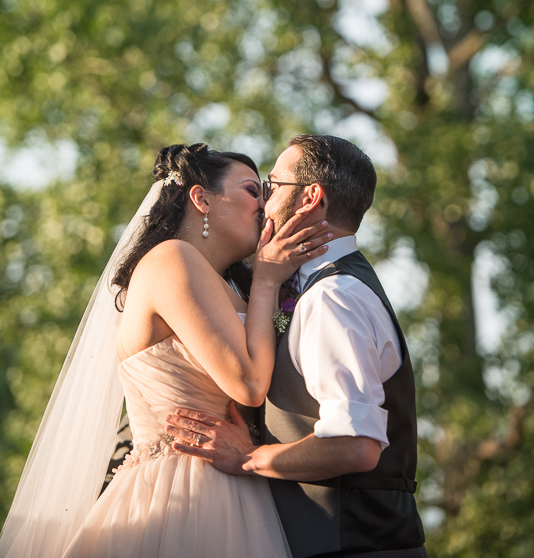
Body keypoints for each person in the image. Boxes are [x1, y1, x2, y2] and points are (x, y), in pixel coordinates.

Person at [0, 142, 332, 558]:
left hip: (234, 483)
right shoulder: (172, 260)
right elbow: (248, 384)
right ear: (201, 198)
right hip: (182, 493)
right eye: (252, 190)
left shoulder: (225, 286)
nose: (265, 206)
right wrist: (266, 281)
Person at [166, 135, 428, 558]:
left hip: (355, 546)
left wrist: (249, 459)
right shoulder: (319, 288)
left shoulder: (333, 297)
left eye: (272, 186)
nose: (264, 202)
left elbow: (355, 445)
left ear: (310, 198)